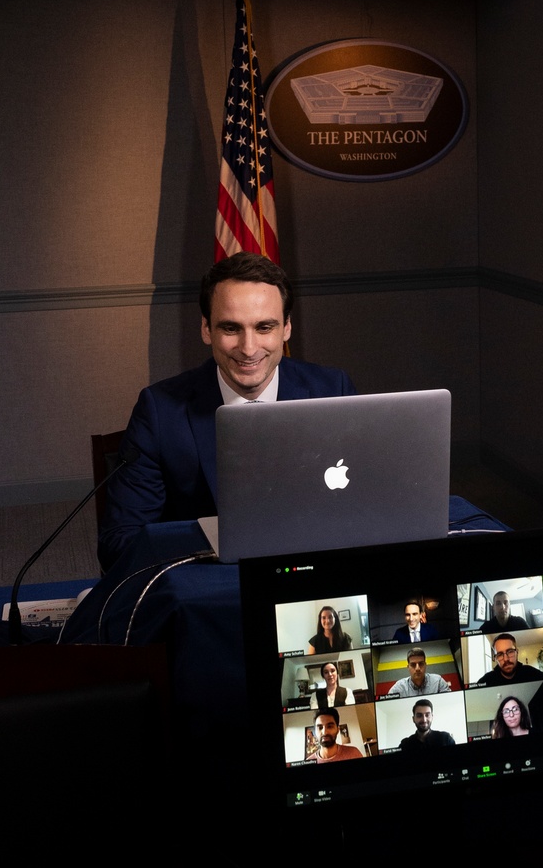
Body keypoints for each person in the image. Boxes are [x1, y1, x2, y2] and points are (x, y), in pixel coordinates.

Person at [98, 253, 357, 570]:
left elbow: (365, 507)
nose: (249, 348)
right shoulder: (160, 410)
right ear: (206, 329)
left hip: (313, 578)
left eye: (264, 327)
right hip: (211, 587)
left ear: (286, 328)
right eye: (231, 328)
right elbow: (120, 543)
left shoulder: (332, 389)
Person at [476, 635, 543, 688]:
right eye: (500, 654)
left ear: (517, 653)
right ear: (496, 658)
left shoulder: (531, 674)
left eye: (510, 652)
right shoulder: (487, 680)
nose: (506, 659)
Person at [387, 648, 452, 697]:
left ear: (425, 665)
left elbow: (450, 700)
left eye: (421, 664)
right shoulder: (398, 688)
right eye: (413, 665)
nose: (417, 668)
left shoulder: (438, 682)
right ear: (408, 667)